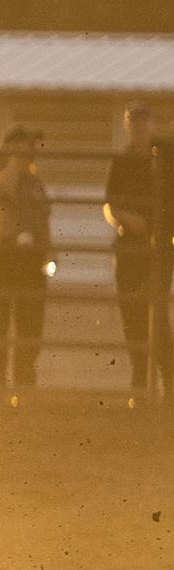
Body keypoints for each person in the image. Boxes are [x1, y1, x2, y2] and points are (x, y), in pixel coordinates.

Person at [0, 125, 54, 403]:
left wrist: (49, 249)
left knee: (30, 324)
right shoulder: (0, 180)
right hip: (5, 254)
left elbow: (43, 218)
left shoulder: (36, 182)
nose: (29, 154)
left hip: (31, 256)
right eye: (24, 149)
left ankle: (24, 385)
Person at [104, 101, 167, 402]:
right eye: (134, 123)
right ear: (129, 127)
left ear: (152, 125)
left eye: (143, 122)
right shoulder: (123, 161)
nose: (139, 128)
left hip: (156, 248)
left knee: (156, 316)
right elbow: (110, 204)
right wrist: (130, 220)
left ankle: (162, 384)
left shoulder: (164, 159)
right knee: (133, 315)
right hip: (132, 244)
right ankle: (142, 383)